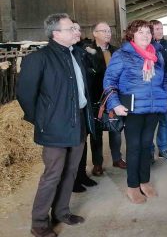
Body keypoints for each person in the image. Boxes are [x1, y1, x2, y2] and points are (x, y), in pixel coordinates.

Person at [17, 13, 95, 237]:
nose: (76, 31)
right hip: (54, 125)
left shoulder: (76, 54)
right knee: (53, 174)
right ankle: (39, 222)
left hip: (77, 120)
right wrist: (42, 120)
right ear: (56, 33)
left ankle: (61, 211)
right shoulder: (38, 58)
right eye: (71, 28)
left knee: (71, 171)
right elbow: (25, 95)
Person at [103, 20, 167, 203]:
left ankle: (145, 182)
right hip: (132, 109)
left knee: (147, 146)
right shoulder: (122, 55)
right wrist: (115, 104)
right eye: (140, 32)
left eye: (148, 32)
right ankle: (132, 186)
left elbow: (164, 79)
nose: (146, 35)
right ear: (132, 35)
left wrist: (164, 95)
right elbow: (109, 81)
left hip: (153, 108)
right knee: (133, 147)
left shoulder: (156, 55)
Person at [85, 22, 126, 177]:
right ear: (95, 33)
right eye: (104, 31)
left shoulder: (117, 51)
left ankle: (117, 158)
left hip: (114, 97)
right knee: (96, 133)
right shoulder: (87, 52)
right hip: (95, 96)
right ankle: (97, 163)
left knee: (115, 129)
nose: (108, 33)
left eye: (109, 31)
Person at [70, 21, 98, 193]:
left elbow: (91, 74)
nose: (78, 33)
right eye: (74, 29)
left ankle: (81, 174)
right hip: (68, 110)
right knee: (71, 146)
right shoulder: (61, 55)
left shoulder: (80, 53)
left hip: (84, 105)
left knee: (83, 141)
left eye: (79, 30)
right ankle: (72, 179)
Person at [149, 20, 167, 163]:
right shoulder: (147, 46)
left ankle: (163, 149)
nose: (160, 31)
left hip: (166, 90)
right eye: (156, 29)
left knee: (165, 120)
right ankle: (149, 151)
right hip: (152, 91)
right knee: (150, 122)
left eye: (161, 28)